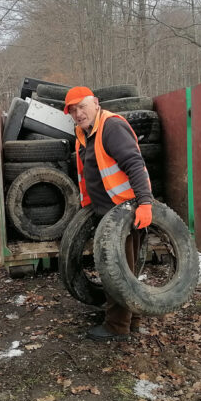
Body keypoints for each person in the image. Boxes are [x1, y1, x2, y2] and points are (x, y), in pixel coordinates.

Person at [64, 86, 153, 341]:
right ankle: (132, 320)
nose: (78, 114)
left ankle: (117, 326)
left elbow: (134, 164)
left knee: (116, 271)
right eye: (73, 110)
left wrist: (145, 203)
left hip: (125, 212)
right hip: (108, 211)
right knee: (126, 270)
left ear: (95, 103)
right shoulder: (83, 133)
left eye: (82, 106)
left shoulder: (111, 127)